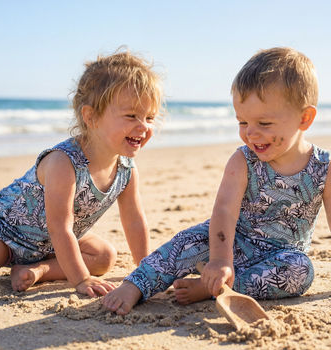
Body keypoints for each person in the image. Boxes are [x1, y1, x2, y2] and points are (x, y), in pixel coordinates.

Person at [103, 47, 331, 315]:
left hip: (279, 256)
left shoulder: (323, 168)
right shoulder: (244, 161)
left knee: (301, 270)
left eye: (264, 123)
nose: (251, 133)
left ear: (304, 118)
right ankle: (136, 285)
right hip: (229, 241)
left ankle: (211, 288)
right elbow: (224, 211)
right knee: (185, 243)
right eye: (243, 122)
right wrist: (221, 259)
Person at [0, 49, 164, 298]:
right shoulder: (64, 162)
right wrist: (81, 279)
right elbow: (59, 227)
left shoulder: (126, 170)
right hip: (6, 233)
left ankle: (37, 270)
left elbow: (134, 221)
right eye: (131, 116)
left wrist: (145, 269)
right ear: (91, 116)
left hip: (50, 246)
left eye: (150, 117)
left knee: (104, 256)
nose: (144, 126)